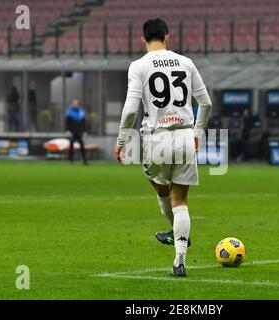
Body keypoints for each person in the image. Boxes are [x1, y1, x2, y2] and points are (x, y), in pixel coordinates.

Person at [114, 18, 212, 277]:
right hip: (184, 136)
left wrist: (122, 140)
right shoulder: (186, 63)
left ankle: (176, 233)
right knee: (181, 202)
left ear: (142, 39)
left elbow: (130, 109)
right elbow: (206, 103)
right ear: (168, 36)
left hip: (155, 138)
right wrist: (197, 132)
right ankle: (180, 259)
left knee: (161, 190)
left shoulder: (138, 66)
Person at [65, 100, 88, 165]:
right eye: (74, 104)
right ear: (72, 104)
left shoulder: (81, 113)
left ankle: (84, 161)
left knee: (82, 146)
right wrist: (68, 130)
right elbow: (67, 123)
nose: (75, 105)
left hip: (79, 132)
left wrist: (84, 131)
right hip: (72, 132)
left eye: (76, 104)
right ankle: (71, 161)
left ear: (78, 105)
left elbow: (83, 123)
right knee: (71, 146)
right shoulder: (69, 113)